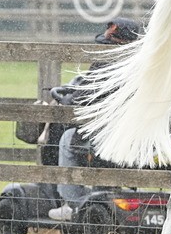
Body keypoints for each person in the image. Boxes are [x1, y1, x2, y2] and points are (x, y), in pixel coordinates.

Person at [48, 17, 142, 221]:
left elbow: (86, 95)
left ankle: (72, 203)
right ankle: (100, 197)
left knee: (67, 139)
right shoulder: (142, 65)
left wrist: (66, 99)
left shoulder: (107, 62)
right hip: (138, 137)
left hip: (110, 135)